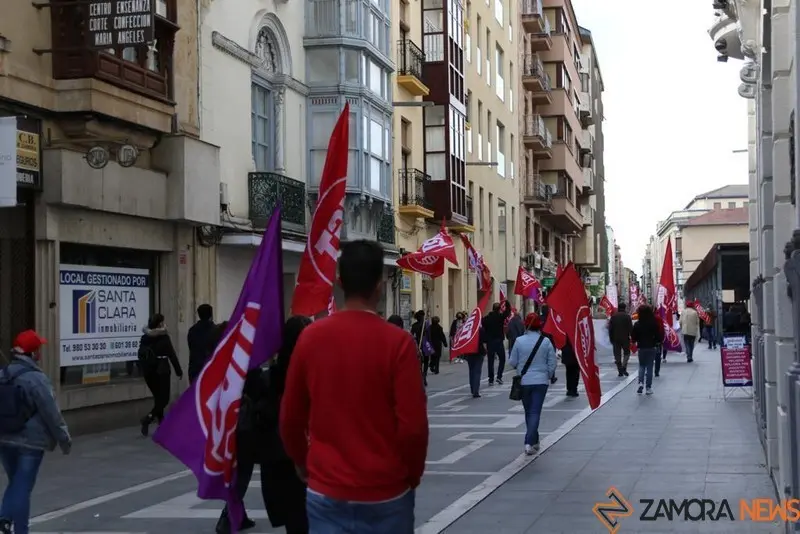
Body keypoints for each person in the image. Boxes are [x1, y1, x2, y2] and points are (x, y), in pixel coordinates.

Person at [280, 240, 429, 533]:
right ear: (380, 286)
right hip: (387, 491)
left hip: (327, 488)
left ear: (339, 281)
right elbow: (413, 426)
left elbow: (290, 418)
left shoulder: (310, 338)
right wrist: (411, 475)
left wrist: (302, 462)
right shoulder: (398, 343)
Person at [0, 330, 71, 534]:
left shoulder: (3, 374)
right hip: (30, 442)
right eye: (38, 349)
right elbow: (51, 413)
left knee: (15, 482)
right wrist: (64, 440)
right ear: (32, 354)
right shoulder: (36, 379)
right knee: (23, 487)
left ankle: (5, 521)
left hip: (5, 438)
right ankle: (20, 530)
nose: (40, 353)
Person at [260, 316, 313, 534]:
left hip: (279, 460)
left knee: (296, 524)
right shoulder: (313, 374)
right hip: (304, 459)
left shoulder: (271, 376)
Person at [210, 322, 259, 534]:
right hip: (243, 425)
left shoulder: (220, 361)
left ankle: (240, 514)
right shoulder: (244, 361)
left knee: (236, 471)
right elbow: (257, 386)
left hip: (225, 424)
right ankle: (226, 518)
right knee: (242, 473)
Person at [508, 313, 557, 455]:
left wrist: (520, 368)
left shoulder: (519, 341)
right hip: (541, 381)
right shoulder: (546, 341)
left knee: (529, 411)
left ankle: (530, 441)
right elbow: (552, 362)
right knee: (535, 412)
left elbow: (512, 361)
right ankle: (532, 441)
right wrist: (546, 375)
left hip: (524, 381)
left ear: (526, 325)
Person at [138, 313, 183, 437]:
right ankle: (148, 418)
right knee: (164, 399)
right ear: (160, 324)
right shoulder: (164, 338)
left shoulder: (144, 338)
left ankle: (162, 424)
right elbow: (172, 355)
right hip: (161, 371)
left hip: (148, 372)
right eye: (162, 322)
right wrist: (179, 371)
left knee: (158, 398)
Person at [631, 306, 663, 395]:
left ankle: (640, 383)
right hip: (651, 347)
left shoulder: (637, 324)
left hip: (641, 347)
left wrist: (635, 341)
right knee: (649, 367)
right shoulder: (653, 323)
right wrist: (658, 342)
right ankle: (648, 388)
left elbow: (633, 337)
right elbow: (658, 336)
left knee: (641, 366)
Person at [482, 302, 511, 385]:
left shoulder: (486, 318)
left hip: (490, 342)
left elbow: (482, 325)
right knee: (502, 359)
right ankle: (499, 377)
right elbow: (507, 312)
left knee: (490, 361)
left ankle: (491, 379)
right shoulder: (500, 317)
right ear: (499, 309)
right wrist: (507, 303)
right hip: (498, 341)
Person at [187, 303, 215, 382]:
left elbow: (190, 346)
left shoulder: (192, 330)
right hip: (210, 369)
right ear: (211, 315)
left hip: (195, 369)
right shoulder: (216, 330)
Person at [608, 303, 633, 377]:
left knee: (617, 354)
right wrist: (633, 337)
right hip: (625, 338)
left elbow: (610, 329)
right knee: (627, 353)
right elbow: (630, 328)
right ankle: (624, 366)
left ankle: (620, 370)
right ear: (625, 308)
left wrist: (611, 338)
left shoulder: (613, 317)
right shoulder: (627, 317)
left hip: (615, 339)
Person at [463, 327, 488, 398]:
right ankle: (475, 390)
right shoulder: (481, 329)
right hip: (479, 352)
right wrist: (485, 350)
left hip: (469, 352)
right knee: (477, 371)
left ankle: (472, 388)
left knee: (471, 370)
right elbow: (484, 342)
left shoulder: (467, 328)